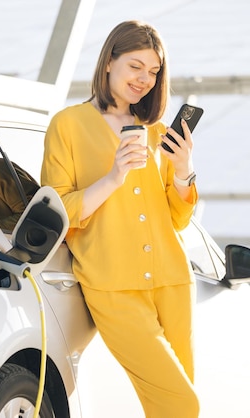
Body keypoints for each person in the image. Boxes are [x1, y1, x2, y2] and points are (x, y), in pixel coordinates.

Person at [41, 20, 199, 417]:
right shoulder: (68, 125)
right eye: (136, 66)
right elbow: (57, 210)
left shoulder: (156, 129)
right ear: (109, 61)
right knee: (183, 405)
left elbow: (177, 218)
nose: (145, 79)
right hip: (113, 287)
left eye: (154, 71)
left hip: (173, 281)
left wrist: (183, 170)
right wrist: (114, 178)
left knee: (170, 407)